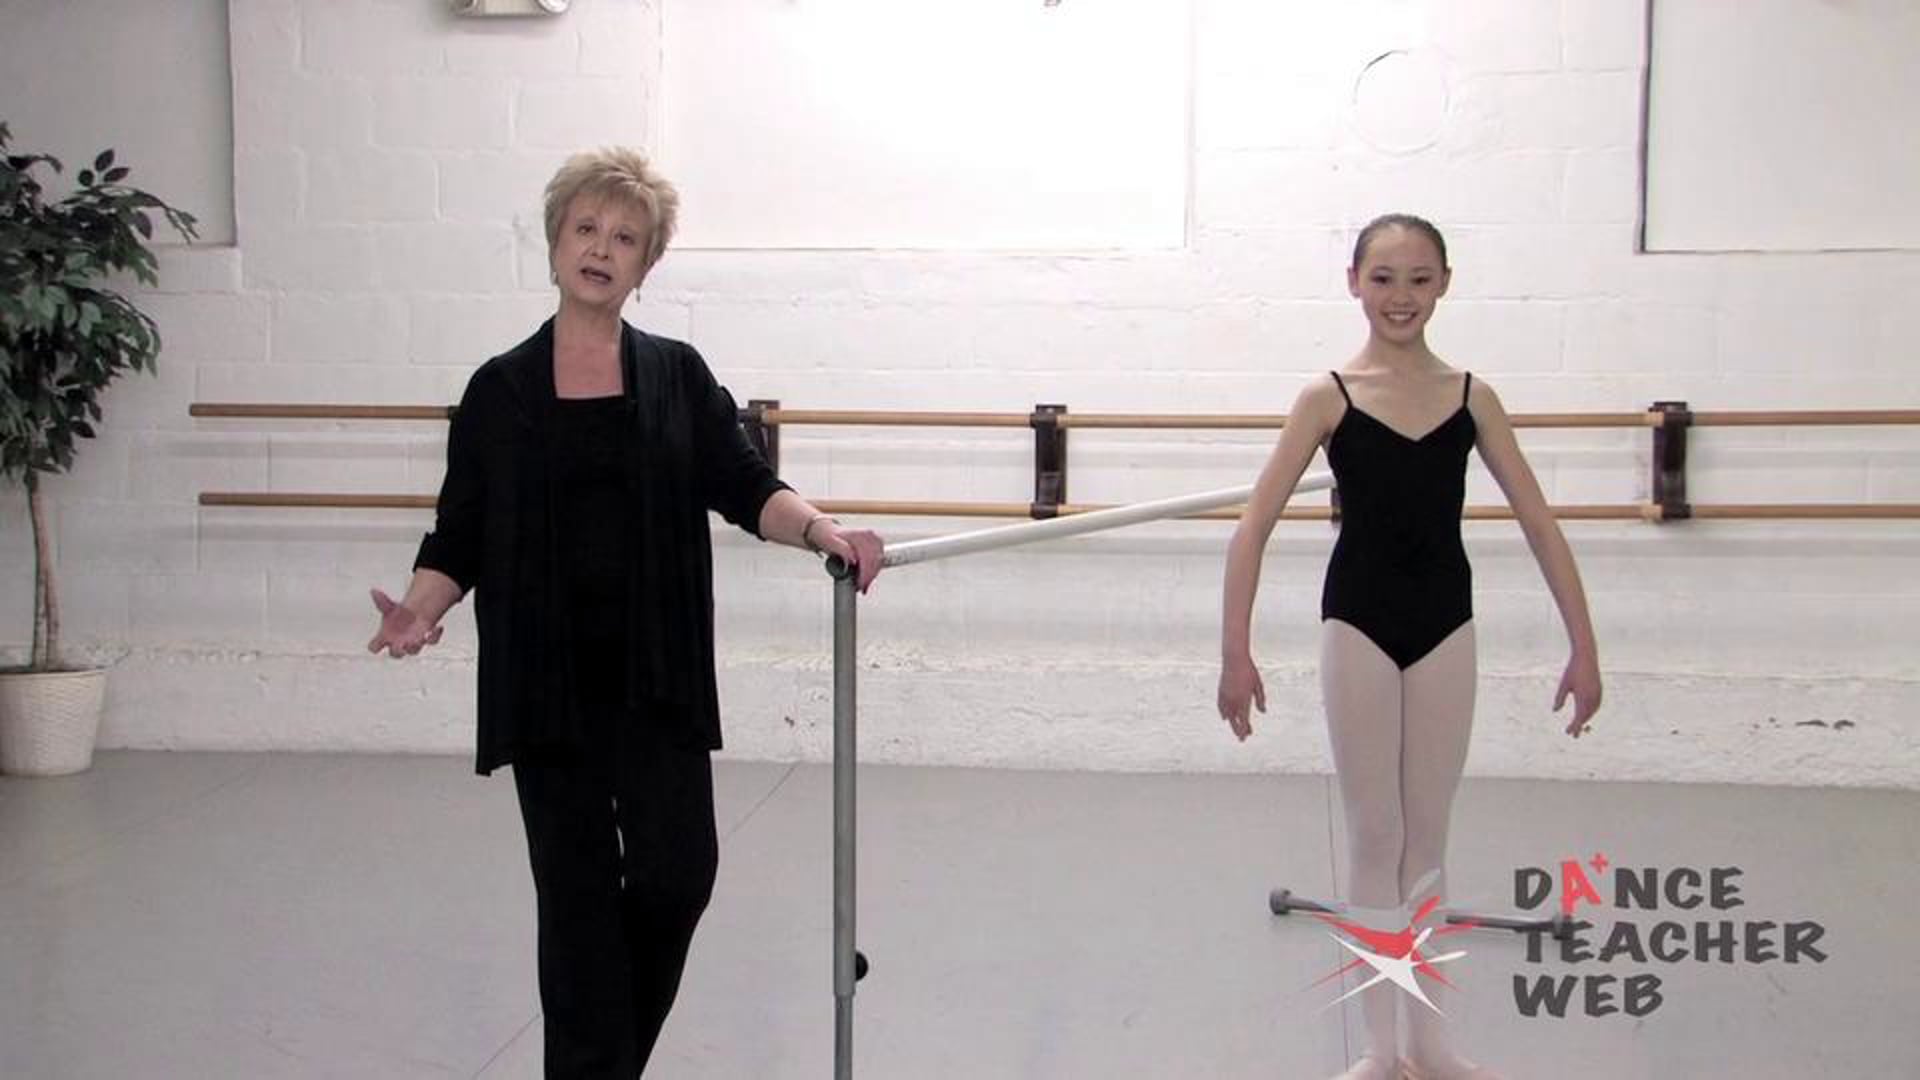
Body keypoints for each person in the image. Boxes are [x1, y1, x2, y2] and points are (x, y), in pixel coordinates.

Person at [366, 146, 884, 1078]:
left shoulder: (676, 376)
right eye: (586, 229)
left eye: (625, 237)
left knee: (679, 876)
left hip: (655, 677)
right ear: (555, 242)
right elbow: (459, 534)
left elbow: (745, 485)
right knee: (575, 911)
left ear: (646, 264)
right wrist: (418, 607)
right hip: (547, 686)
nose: (601, 248)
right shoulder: (498, 391)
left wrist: (820, 530)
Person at [1217, 213, 1601, 1080]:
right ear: (1353, 282)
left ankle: (1428, 1043)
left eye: (1420, 279)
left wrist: (1584, 648)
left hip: (1445, 626)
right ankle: (1380, 1048)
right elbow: (1251, 528)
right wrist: (1235, 653)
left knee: (1427, 837)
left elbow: (1540, 524)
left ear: (1445, 284)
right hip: (1357, 624)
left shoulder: (1472, 398)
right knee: (1373, 834)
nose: (1402, 297)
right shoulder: (1328, 398)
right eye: (1384, 278)